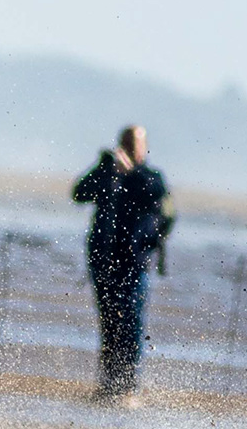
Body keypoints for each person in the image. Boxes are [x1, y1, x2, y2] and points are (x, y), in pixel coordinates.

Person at [73, 125, 175, 403]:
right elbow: (79, 193)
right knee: (110, 326)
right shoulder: (108, 172)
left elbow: (160, 203)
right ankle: (108, 388)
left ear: (144, 147)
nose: (131, 149)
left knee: (131, 325)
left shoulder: (151, 178)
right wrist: (107, 170)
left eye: (136, 144)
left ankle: (128, 388)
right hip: (104, 262)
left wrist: (130, 173)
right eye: (127, 144)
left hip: (136, 263)